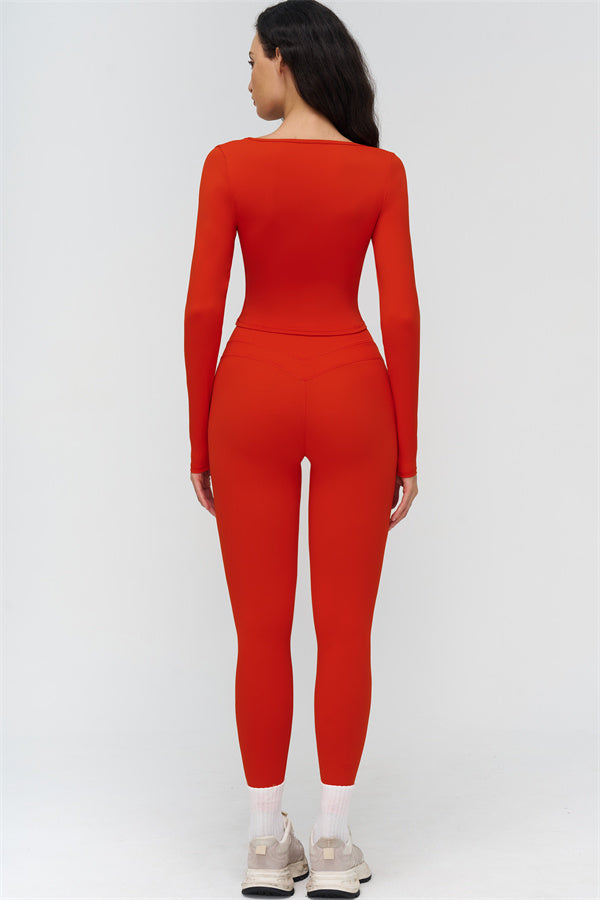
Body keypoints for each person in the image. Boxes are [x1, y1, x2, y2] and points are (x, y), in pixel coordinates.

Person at [183, 1, 420, 895]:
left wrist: (197, 433)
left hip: (250, 395)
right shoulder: (380, 172)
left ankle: (262, 842)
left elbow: (203, 308)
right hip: (355, 393)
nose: (247, 80)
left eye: (251, 61)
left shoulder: (229, 165)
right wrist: (408, 447)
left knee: (260, 630)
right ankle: (332, 846)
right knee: (346, 629)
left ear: (284, 59)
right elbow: (401, 314)